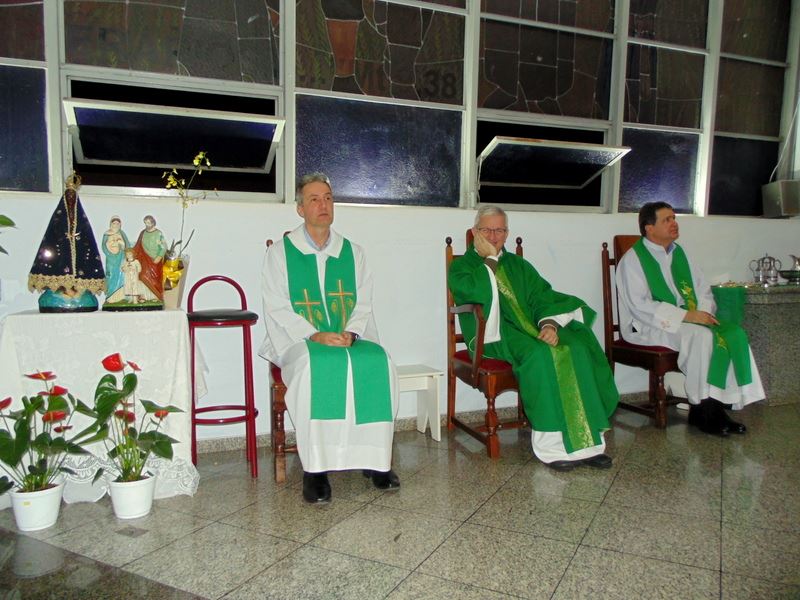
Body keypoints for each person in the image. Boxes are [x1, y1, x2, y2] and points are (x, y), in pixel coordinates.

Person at [259, 173, 400, 503]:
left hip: (348, 336)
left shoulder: (353, 252)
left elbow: (363, 302)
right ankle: (316, 470)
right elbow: (277, 305)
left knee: (379, 363)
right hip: (299, 340)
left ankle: (376, 461)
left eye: (328, 198)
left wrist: (352, 332)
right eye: (314, 199)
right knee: (313, 368)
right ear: (300, 209)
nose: (323, 205)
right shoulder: (280, 254)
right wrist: (314, 334)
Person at [448, 206, 619, 471]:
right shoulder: (462, 266)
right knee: (539, 354)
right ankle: (552, 447)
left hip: (531, 329)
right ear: (475, 232)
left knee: (576, 346)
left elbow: (541, 297)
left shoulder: (519, 265)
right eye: (487, 230)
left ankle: (589, 444)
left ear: (507, 233)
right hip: (493, 335)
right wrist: (490, 260)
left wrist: (549, 324)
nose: (493, 236)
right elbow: (473, 292)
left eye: (500, 230)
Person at [615, 201, 764, 436]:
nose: (674, 223)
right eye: (667, 220)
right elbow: (639, 305)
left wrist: (702, 313)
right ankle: (704, 409)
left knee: (734, 333)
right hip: (650, 326)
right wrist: (686, 316)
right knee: (701, 337)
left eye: (674, 218)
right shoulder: (633, 260)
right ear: (649, 228)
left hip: (686, 320)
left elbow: (703, 290)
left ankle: (716, 406)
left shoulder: (680, 254)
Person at [132, 215, 166, 301]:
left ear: (153, 222)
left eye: (148, 223)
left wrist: (159, 256)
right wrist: (131, 253)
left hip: (155, 260)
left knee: (155, 279)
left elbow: (163, 247)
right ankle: (145, 295)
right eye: (145, 223)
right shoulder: (143, 233)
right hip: (144, 257)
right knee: (142, 275)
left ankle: (155, 295)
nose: (147, 225)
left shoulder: (158, 233)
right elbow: (138, 245)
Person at [101, 216, 130, 303]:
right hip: (111, 258)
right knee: (111, 275)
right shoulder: (107, 234)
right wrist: (109, 252)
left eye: (118, 223)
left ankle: (121, 297)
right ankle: (111, 296)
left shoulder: (122, 233)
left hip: (121, 257)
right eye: (114, 223)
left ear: (120, 225)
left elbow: (127, 245)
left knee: (122, 275)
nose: (116, 225)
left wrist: (125, 250)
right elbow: (103, 246)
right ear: (111, 224)